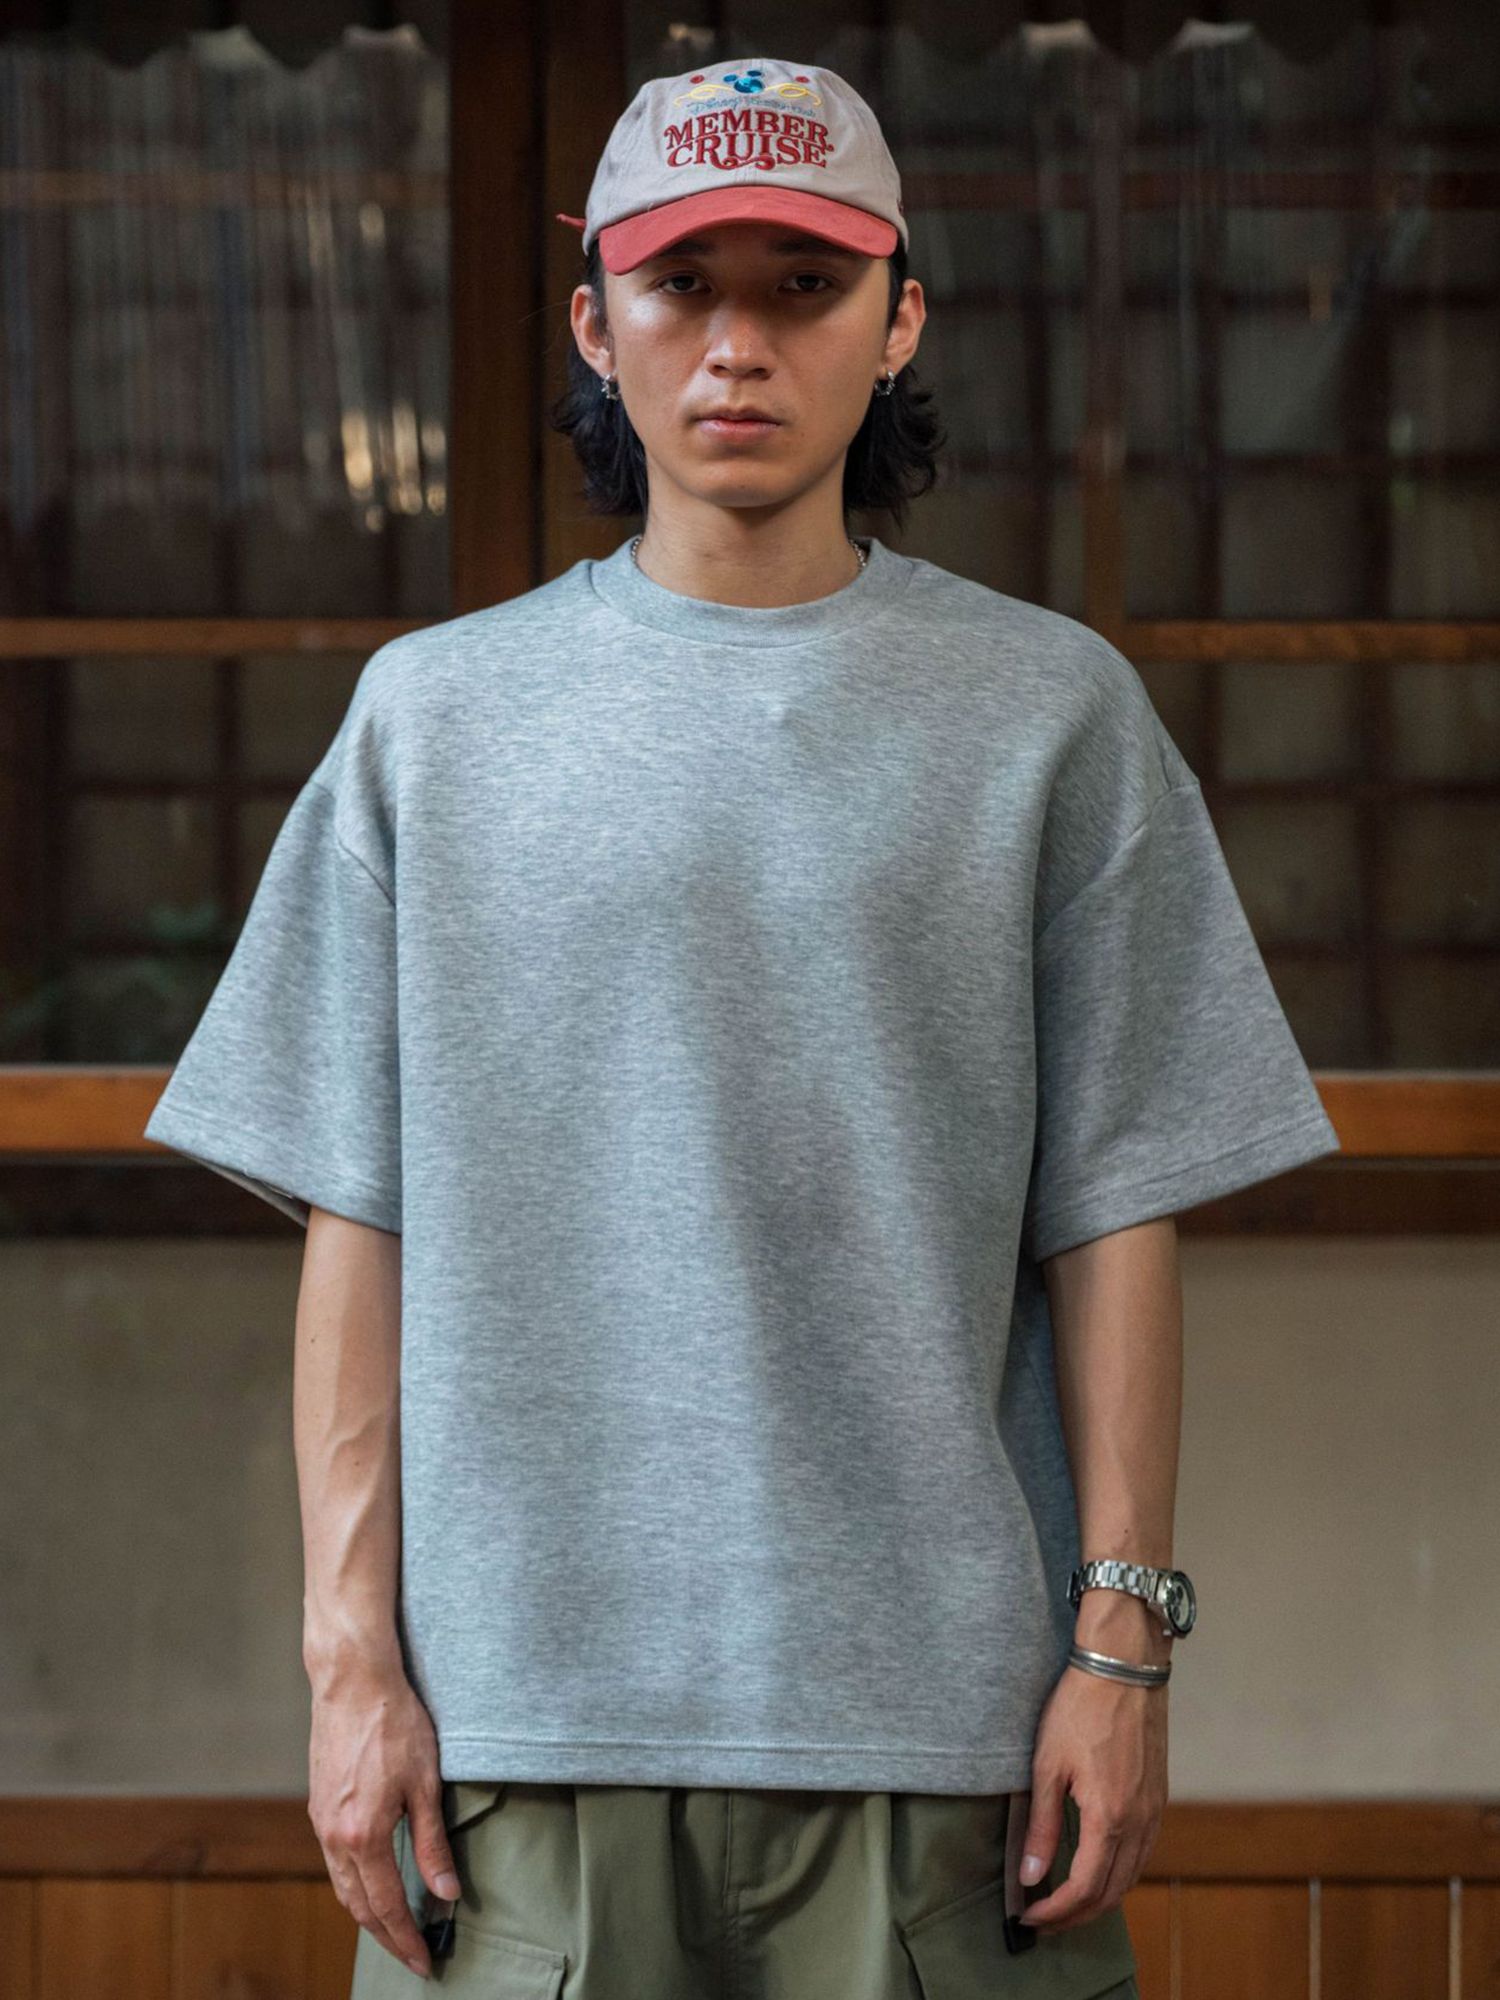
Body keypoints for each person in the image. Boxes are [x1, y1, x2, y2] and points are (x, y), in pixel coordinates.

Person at [142, 55, 1342, 2000]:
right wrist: (350, 1663)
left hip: (945, 1731)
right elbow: (360, 1216)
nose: (737, 343)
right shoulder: (434, 722)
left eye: (804, 286)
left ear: (900, 320)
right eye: (683, 285)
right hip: (520, 1719)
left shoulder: (1050, 714)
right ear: (592, 321)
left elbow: (1118, 1206)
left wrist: (1120, 1648)